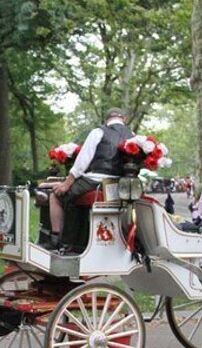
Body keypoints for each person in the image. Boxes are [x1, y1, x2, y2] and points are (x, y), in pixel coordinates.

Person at [45, 108, 135, 251]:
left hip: (95, 181)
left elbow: (82, 160)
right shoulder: (132, 136)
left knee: (56, 196)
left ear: (107, 119)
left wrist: (67, 183)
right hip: (119, 186)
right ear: (123, 119)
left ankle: (60, 240)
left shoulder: (98, 132)